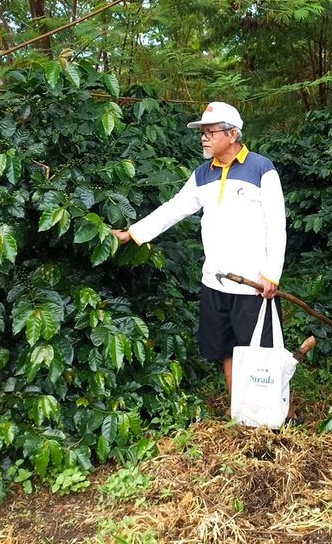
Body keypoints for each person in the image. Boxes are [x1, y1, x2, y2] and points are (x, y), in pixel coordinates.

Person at [111, 101, 287, 396]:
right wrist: (133, 233)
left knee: (263, 352)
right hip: (215, 282)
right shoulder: (202, 174)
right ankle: (240, 413)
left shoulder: (262, 169)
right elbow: (174, 208)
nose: (204, 138)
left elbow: (277, 224)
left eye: (210, 132)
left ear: (232, 135)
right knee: (227, 350)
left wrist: (271, 274)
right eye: (202, 132)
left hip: (253, 285)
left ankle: (278, 414)